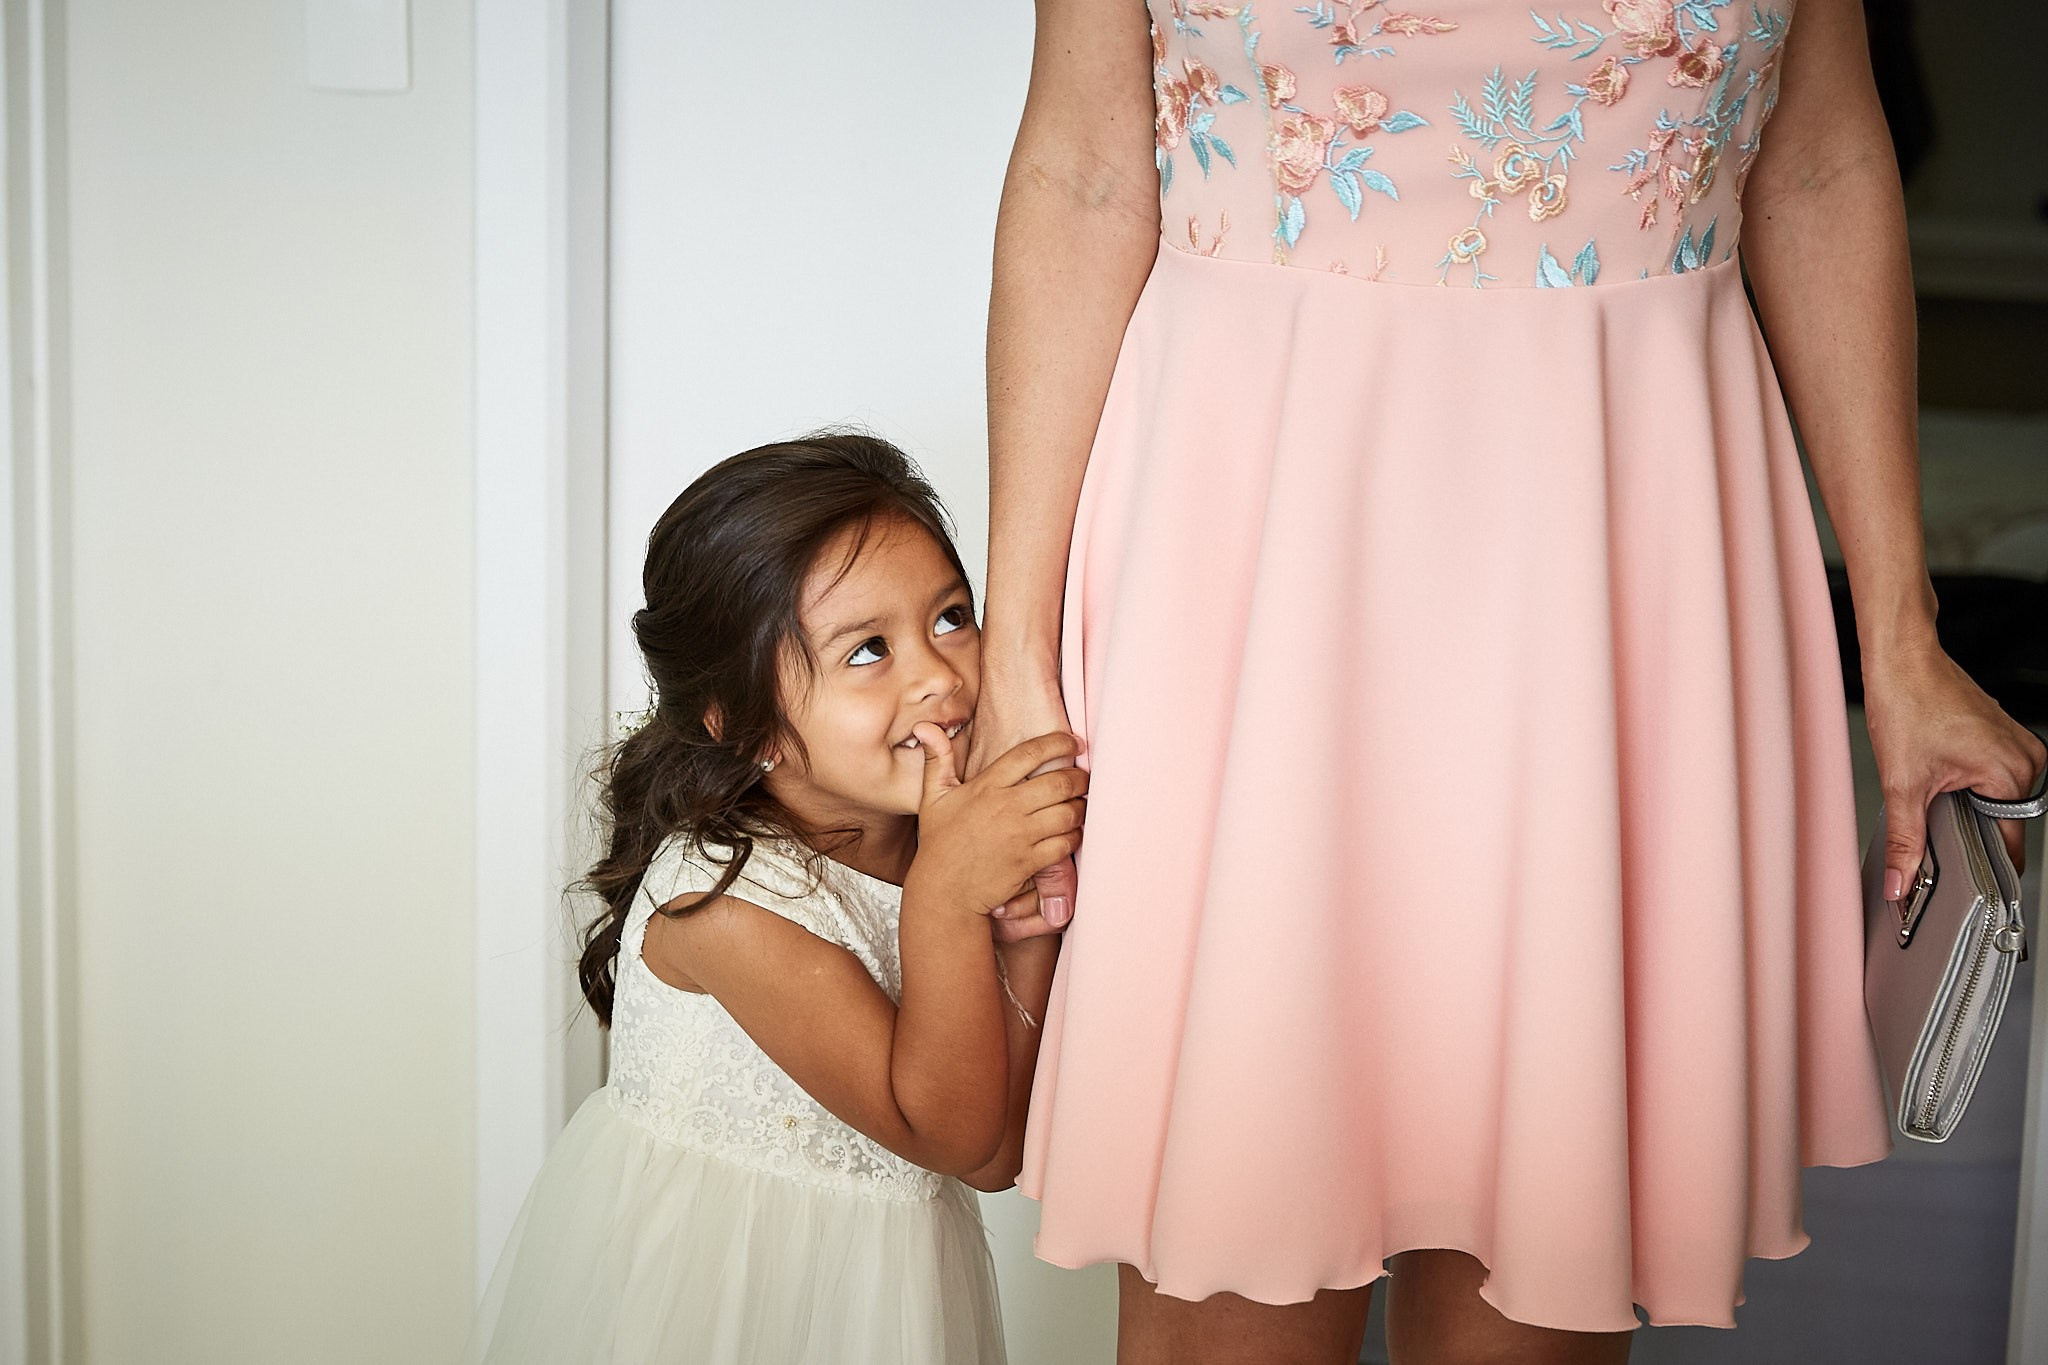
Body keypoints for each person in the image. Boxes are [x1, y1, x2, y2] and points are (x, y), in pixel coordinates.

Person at [973, 2, 2047, 1362]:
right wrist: (1016, 654)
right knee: (1222, 1284)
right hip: (1249, 570)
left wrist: (1903, 635)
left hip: (1619, 565)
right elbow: (1084, 167)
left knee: (1541, 1278)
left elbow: (1821, 156)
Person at [464, 434, 1085, 1364]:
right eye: (868, 649)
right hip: (719, 1307)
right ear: (744, 723)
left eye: (952, 616)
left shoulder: (943, 838)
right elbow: (943, 1129)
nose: (938, 675)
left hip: (884, 1303)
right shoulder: (718, 904)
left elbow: (992, 1157)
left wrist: (1025, 931)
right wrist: (950, 901)